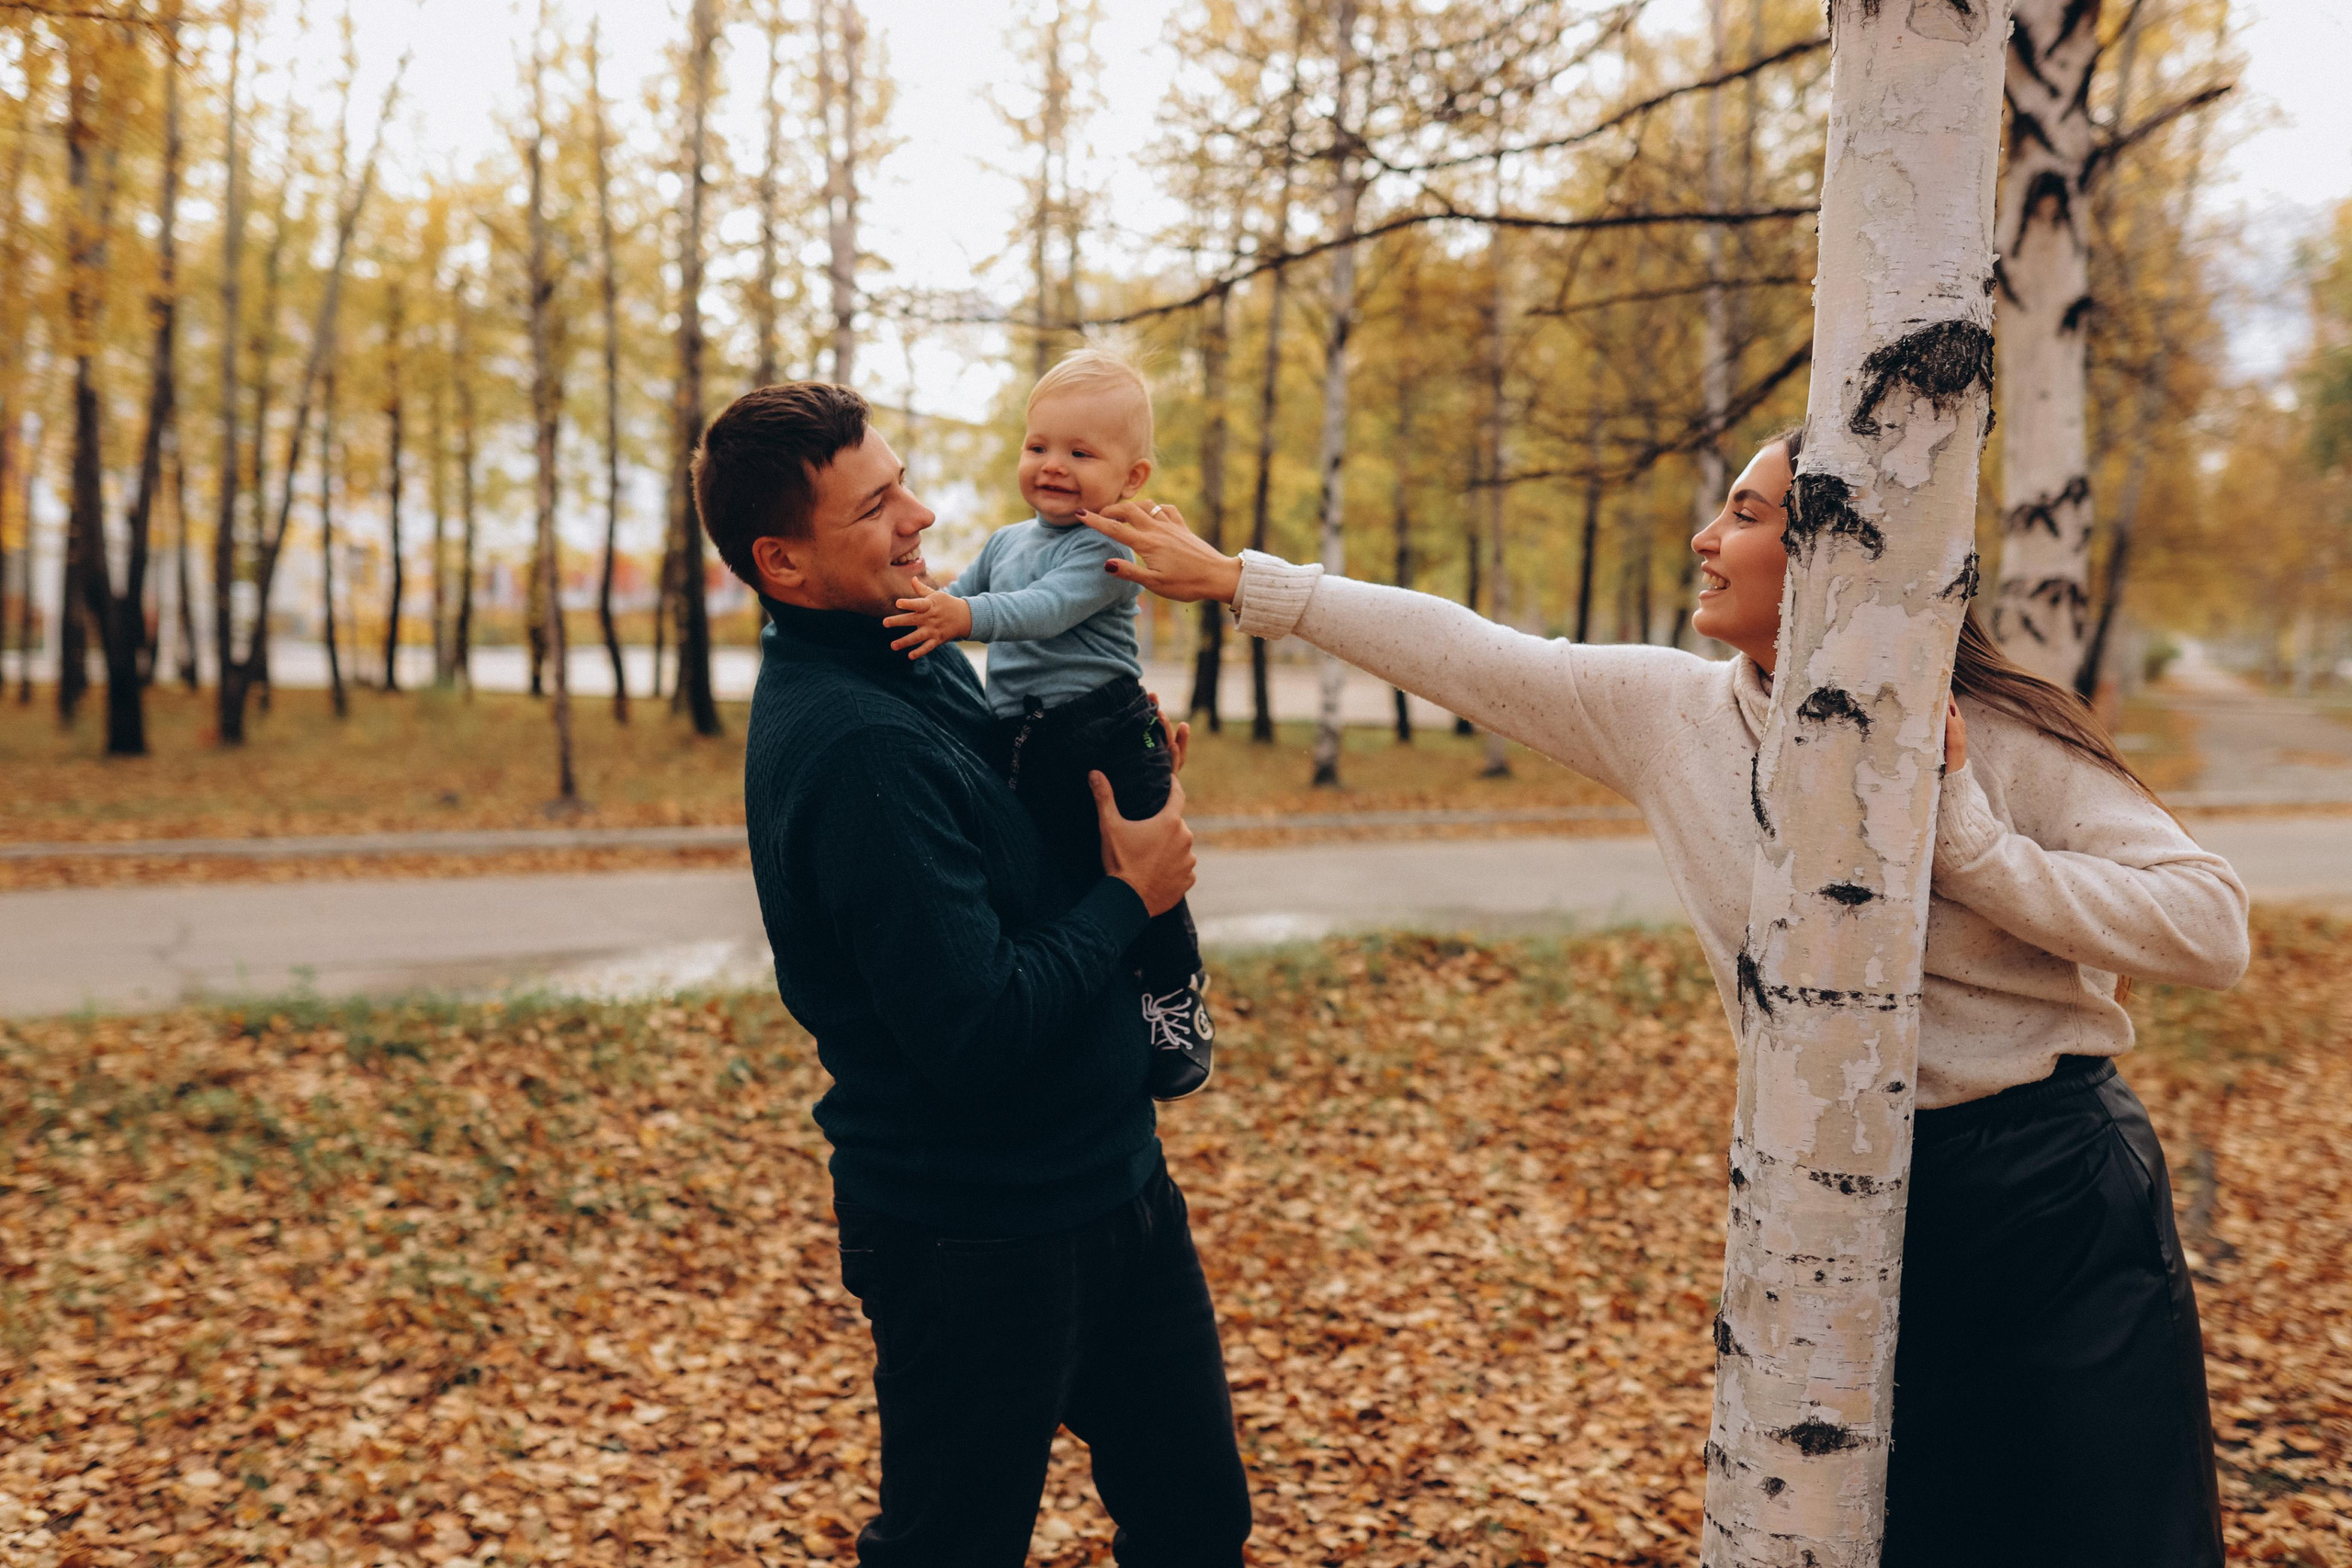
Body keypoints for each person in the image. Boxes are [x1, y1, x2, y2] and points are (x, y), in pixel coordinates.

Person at [1078, 425, 2249, 1568]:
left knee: (2099, 1536)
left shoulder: (1979, 727)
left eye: (1744, 514)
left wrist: (1973, 846)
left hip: (2052, 1197)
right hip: (1831, 1200)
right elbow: (1470, 652)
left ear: (1838, 553)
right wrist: (1245, 583)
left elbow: (2209, 925)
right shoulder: (1671, 716)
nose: (1704, 538)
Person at [695, 380, 1252, 1566]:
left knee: (1198, 1520)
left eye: (901, 484)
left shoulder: (917, 649)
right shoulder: (856, 746)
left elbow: (1010, 854)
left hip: (1112, 1178)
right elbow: (978, 1026)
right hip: (973, 1232)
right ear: (782, 563)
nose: (922, 516)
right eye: (875, 507)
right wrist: (1131, 894)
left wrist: (1115, 784)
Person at [884, 349, 1215, 1100]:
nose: (1053, 465)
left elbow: (1043, 610)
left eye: (1081, 453)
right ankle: (1105, 988)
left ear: (1131, 477)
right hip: (1027, 738)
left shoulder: (1108, 547)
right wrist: (918, 599)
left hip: (1110, 726)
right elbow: (959, 590)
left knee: (1146, 853)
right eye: (1038, 446)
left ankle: (1174, 990)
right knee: (1068, 866)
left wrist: (961, 616)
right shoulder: (1006, 542)